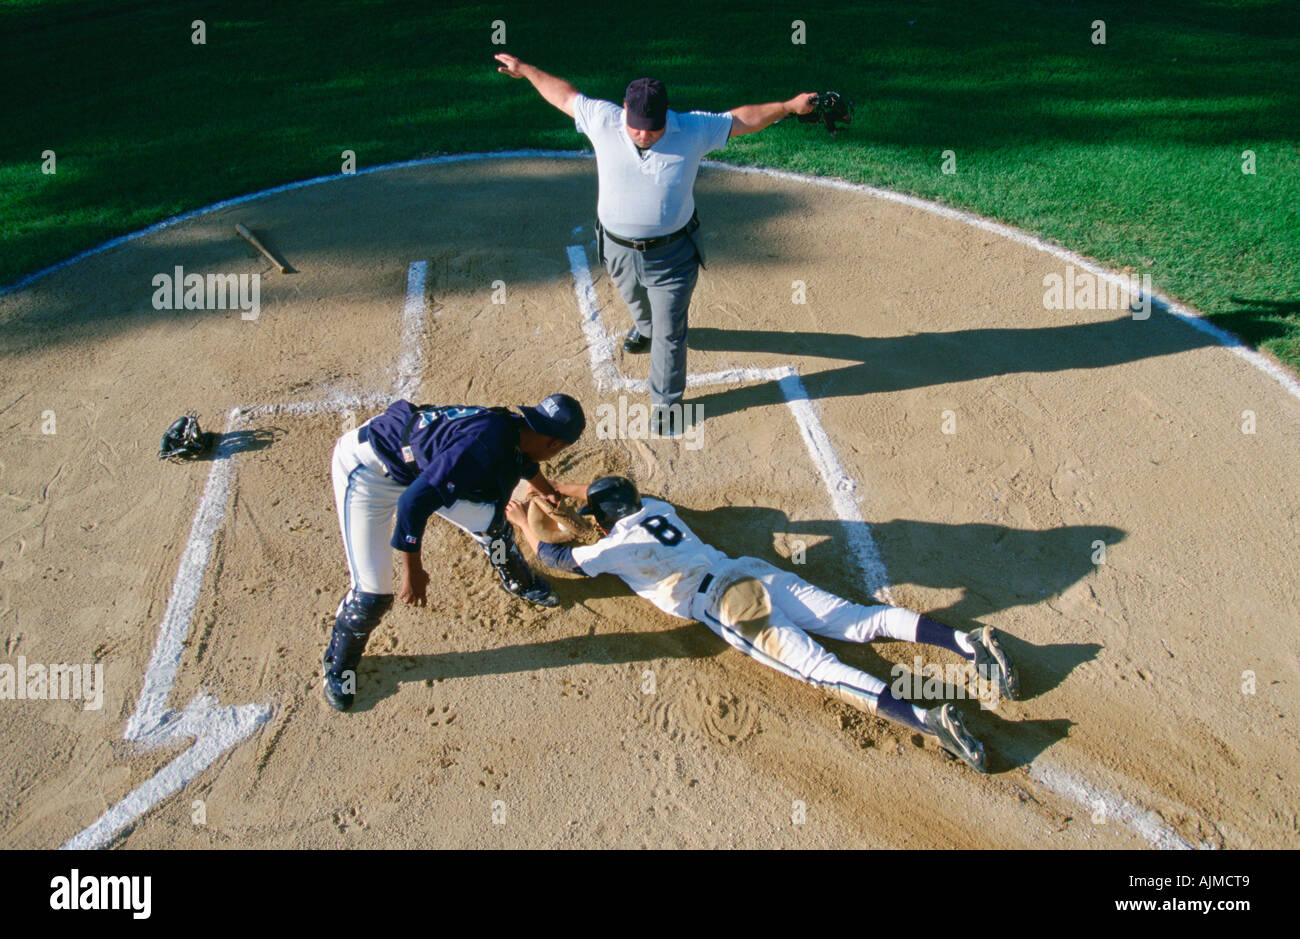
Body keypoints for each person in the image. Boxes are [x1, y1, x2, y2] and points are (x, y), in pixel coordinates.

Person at [505, 476, 1022, 772]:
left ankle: (927, 719)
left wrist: (522, 516)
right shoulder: (658, 507)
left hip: (727, 603)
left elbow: (553, 555)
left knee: (821, 669)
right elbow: (611, 498)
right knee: (859, 621)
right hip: (753, 570)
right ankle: (967, 642)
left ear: (600, 520)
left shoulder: (613, 548)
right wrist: (565, 492)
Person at [494, 54, 817, 435]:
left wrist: (789, 107)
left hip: (672, 256)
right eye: (637, 127)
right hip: (616, 248)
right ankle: (643, 326)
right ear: (625, 111)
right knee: (636, 303)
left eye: (652, 127)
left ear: (668, 114)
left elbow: (743, 119)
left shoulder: (692, 128)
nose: (643, 134)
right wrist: (528, 70)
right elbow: (565, 96)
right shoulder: (604, 119)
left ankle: (666, 404)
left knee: (670, 332)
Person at [322, 394, 588, 711]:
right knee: (372, 597)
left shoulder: (517, 431)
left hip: (419, 465)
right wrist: (414, 572)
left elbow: (525, 459)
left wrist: (544, 488)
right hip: (368, 471)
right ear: (556, 446)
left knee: (492, 522)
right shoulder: (481, 448)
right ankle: (339, 667)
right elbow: (413, 505)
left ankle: (518, 580)